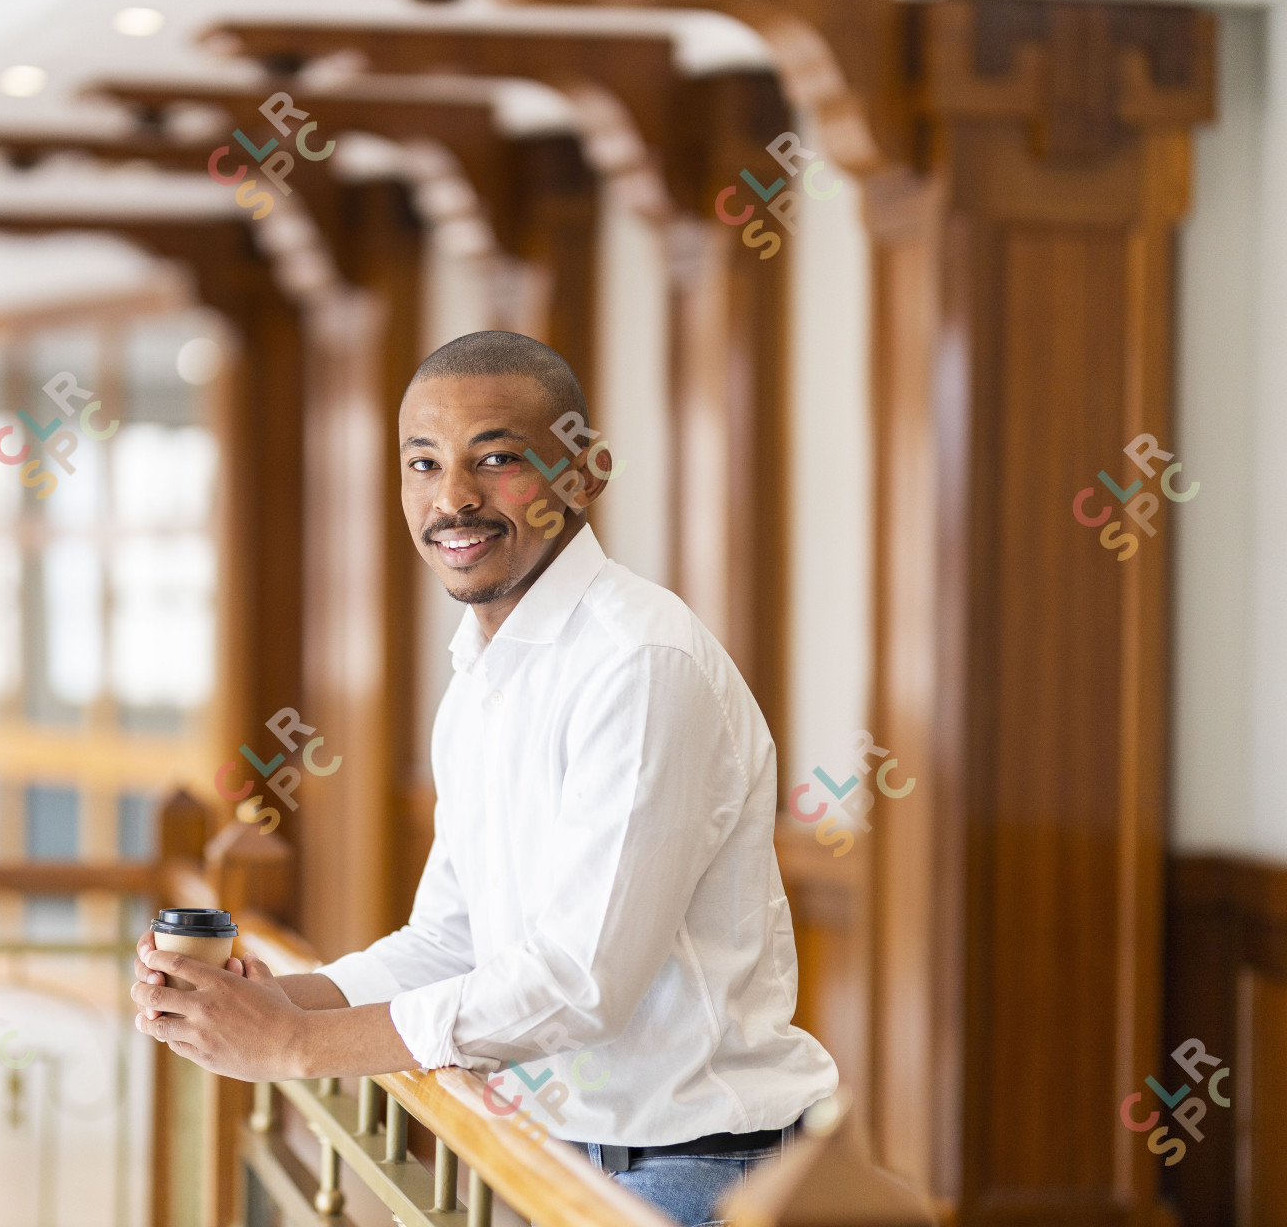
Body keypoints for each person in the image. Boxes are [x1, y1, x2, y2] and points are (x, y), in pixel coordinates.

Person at [129, 330, 838, 1226]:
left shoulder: (640, 661)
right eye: (422, 463)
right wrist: (266, 1000)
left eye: (496, 459)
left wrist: (299, 1046)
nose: (452, 498)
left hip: (699, 1169)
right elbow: (450, 942)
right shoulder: (480, 677)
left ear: (583, 472)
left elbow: (582, 980)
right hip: (559, 1157)